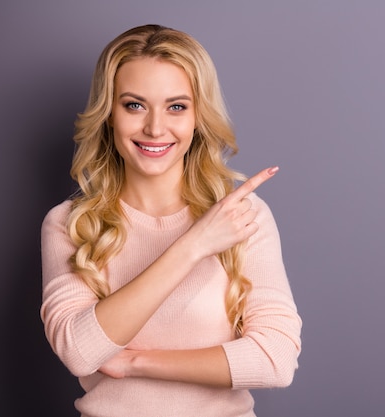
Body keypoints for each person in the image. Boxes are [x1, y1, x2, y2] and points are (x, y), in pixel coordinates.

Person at [40, 24, 302, 417]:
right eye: (134, 105)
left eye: (176, 106)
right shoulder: (69, 224)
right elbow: (80, 352)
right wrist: (193, 245)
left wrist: (135, 363)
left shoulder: (242, 218)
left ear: (199, 116)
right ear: (109, 113)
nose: (155, 128)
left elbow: (276, 360)